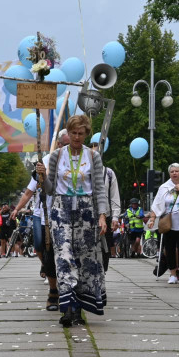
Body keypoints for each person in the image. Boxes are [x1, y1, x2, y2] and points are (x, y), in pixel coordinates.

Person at [43, 114, 109, 327]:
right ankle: (66, 308)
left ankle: (79, 309)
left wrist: (102, 215)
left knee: (84, 260)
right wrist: (43, 177)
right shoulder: (56, 155)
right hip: (61, 210)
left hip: (86, 211)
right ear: (67, 133)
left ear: (86, 134)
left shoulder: (93, 157)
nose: (77, 137)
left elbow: (99, 188)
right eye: (73, 133)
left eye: (81, 133)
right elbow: (50, 189)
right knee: (63, 257)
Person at [11, 129, 68, 311]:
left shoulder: (83, 162)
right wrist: (17, 208)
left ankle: (62, 284)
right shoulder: (47, 164)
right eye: (65, 144)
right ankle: (49, 274)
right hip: (42, 214)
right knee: (40, 244)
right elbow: (29, 191)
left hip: (66, 213)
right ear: (58, 145)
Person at [150, 163, 179, 284]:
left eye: (176, 171)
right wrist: (152, 219)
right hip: (168, 223)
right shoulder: (164, 187)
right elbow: (156, 204)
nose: (174, 173)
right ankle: (173, 273)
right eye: (172, 171)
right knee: (170, 249)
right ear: (169, 174)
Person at [92, 138, 121, 271]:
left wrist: (115, 217)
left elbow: (114, 196)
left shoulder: (108, 173)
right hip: (88, 215)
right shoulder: (84, 173)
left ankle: (102, 273)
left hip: (106, 215)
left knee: (105, 247)